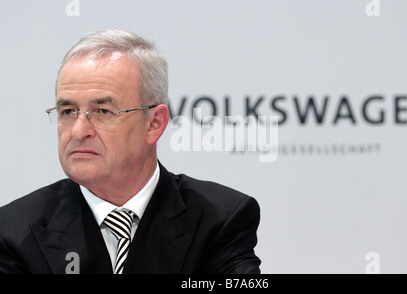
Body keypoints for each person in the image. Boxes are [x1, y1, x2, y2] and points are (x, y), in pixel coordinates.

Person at [0, 30, 261, 274]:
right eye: (68, 112)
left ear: (154, 124)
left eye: (103, 111)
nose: (79, 131)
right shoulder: (14, 231)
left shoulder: (221, 219)